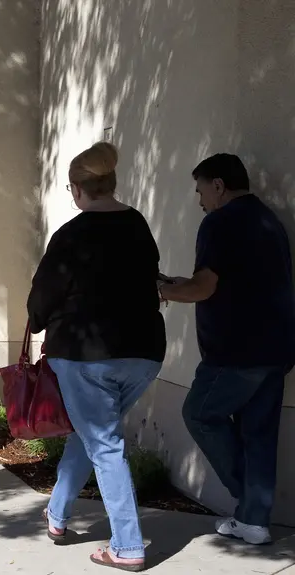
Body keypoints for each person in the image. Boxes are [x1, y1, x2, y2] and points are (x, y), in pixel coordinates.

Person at [28, 142, 165, 571]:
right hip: (143, 353)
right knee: (91, 435)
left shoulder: (71, 235)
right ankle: (57, 514)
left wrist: (36, 324)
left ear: (77, 189)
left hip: (86, 356)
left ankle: (127, 546)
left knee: (104, 444)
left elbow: (41, 300)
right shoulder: (138, 225)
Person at [159, 153, 295, 545]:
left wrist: (162, 291)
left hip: (237, 350)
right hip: (277, 348)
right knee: (259, 434)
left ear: (218, 185)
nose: (199, 199)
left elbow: (204, 287)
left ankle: (249, 495)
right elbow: (227, 280)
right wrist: (181, 283)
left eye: (201, 189)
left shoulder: (220, 222)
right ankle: (254, 522)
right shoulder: (268, 220)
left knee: (199, 413)